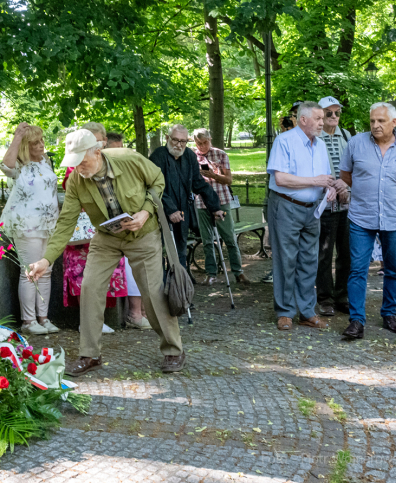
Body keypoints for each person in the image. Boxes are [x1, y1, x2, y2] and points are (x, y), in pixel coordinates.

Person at [28, 129, 185, 375]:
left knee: (153, 294)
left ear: (97, 152)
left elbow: (158, 181)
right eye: (74, 162)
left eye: (83, 160)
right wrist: (46, 260)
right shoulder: (76, 182)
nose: (79, 167)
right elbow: (66, 223)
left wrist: (145, 211)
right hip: (106, 237)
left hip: (143, 235)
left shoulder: (128, 159)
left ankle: (174, 350)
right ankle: (90, 355)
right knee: (89, 288)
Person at [340, 103, 396, 341]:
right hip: (361, 217)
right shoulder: (356, 143)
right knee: (357, 270)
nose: (375, 125)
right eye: (372, 121)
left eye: (381, 121)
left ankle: (389, 314)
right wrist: (368, 191)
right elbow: (346, 175)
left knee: (394, 269)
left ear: (394, 123)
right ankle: (356, 320)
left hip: (395, 217)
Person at [267, 102, 348, 331]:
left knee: (310, 261)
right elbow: (281, 179)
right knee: (286, 260)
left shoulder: (320, 145)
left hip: (313, 209)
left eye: (324, 118)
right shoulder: (284, 141)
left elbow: (325, 177)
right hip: (286, 206)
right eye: (319, 118)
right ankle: (285, 312)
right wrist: (315, 182)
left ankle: (307, 312)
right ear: (303, 120)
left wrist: (329, 188)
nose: (323, 122)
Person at [60, 123, 128, 334]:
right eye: (95, 140)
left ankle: (98, 320)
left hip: (106, 226)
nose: (100, 144)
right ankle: (87, 322)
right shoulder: (78, 164)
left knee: (105, 275)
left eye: (101, 140)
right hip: (84, 229)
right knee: (82, 276)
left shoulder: (112, 162)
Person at [0, 123, 60, 336]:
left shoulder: (45, 162)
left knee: (46, 270)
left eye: (42, 140)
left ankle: (43, 317)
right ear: (26, 145)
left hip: (48, 223)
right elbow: (5, 165)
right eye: (35, 142)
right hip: (26, 223)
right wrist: (17, 137)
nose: (41, 145)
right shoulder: (19, 166)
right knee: (31, 272)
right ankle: (28, 320)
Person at [149, 125, 226, 274]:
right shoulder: (158, 156)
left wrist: (215, 207)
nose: (179, 145)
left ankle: (181, 284)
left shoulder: (189, 156)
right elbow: (154, 187)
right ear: (167, 138)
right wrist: (170, 209)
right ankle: (162, 285)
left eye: (183, 141)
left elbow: (198, 183)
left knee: (181, 249)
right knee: (160, 251)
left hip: (183, 210)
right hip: (161, 212)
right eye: (175, 140)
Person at [103, 129, 151, 325]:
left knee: (141, 262)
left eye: (121, 149)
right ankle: (135, 312)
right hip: (108, 230)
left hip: (131, 224)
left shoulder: (125, 167)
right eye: (116, 150)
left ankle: (143, 310)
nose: (119, 155)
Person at [193, 128, 250, 287]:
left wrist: (214, 176)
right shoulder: (192, 156)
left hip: (221, 199)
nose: (202, 146)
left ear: (210, 139)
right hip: (201, 202)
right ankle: (211, 274)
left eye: (205, 142)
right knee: (207, 241)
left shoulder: (220, 154)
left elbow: (229, 180)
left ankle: (238, 272)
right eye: (199, 143)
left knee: (229, 237)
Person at [316, 96, 352, 316]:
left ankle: (343, 296)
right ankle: (325, 298)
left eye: (337, 113)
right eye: (329, 113)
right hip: (325, 203)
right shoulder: (314, 137)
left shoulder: (347, 136)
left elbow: (355, 167)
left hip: (347, 203)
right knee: (324, 254)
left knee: (346, 253)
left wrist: (346, 186)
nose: (334, 117)